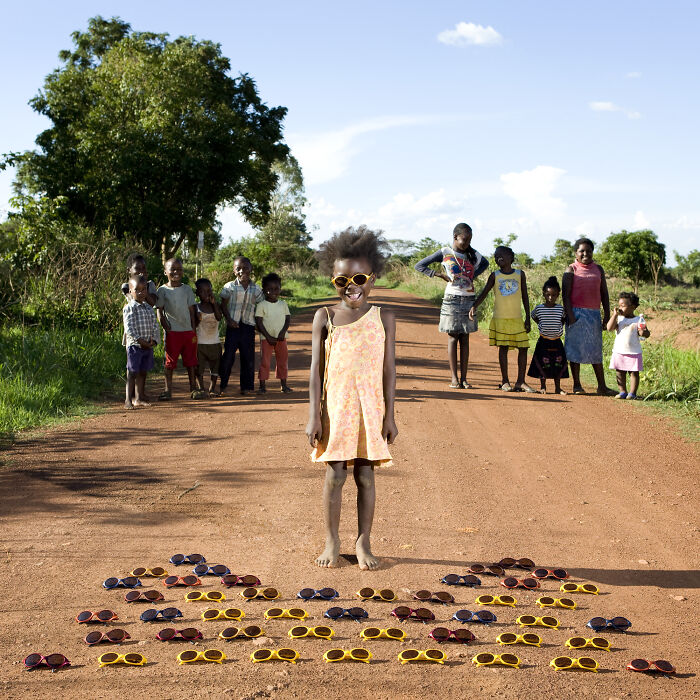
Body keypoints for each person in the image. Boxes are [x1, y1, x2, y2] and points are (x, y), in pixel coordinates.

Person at [306, 227, 397, 571]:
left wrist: (390, 416)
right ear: (333, 280)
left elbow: (389, 370)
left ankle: (363, 541)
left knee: (366, 476)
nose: (351, 286)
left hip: (370, 410)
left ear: (372, 278)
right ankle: (332, 540)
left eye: (359, 277)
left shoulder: (384, 318)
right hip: (336, 409)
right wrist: (314, 414)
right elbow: (316, 370)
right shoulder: (324, 317)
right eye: (341, 280)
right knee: (335, 475)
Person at [414, 223, 488, 388]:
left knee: (466, 338)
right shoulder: (445, 252)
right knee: (453, 337)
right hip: (451, 299)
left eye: (470, 240)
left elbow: (486, 264)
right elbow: (419, 265)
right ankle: (454, 378)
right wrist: (439, 274)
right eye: (464, 240)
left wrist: (471, 275)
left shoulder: (473, 254)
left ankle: (464, 379)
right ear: (455, 237)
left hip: (469, 299)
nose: (467, 243)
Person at [470, 246, 535, 392]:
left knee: (523, 348)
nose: (498, 257)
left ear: (511, 257)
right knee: (503, 348)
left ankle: (521, 381)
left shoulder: (520, 274)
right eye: (495, 255)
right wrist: (475, 305)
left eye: (502, 254)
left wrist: (528, 318)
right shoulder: (495, 275)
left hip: (517, 318)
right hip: (500, 319)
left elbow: (525, 296)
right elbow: (485, 292)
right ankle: (505, 381)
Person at [562, 238, 615, 395]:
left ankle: (602, 386)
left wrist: (606, 314)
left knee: (595, 351)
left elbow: (604, 293)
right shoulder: (571, 269)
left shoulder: (598, 269)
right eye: (582, 251)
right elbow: (565, 295)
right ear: (576, 253)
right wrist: (570, 315)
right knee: (575, 350)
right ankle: (577, 385)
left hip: (593, 314)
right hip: (576, 313)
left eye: (589, 251)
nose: (585, 254)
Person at [156, 258, 203, 400]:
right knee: (170, 363)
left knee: (191, 361)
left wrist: (193, 330)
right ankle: (167, 391)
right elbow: (159, 310)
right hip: (172, 333)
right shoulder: (162, 290)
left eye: (179, 269)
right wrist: (165, 327)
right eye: (172, 269)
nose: (176, 272)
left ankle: (193, 389)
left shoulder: (187, 289)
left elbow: (192, 310)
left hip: (188, 332)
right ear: (165, 272)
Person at [219, 256, 263, 396]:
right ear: (234, 270)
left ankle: (247, 387)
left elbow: (262, 306)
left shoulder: (256, 289)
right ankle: (223, 385)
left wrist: (258, 324)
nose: (242, 271)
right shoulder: (229, 287)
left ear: (251, 269)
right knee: (228, 357)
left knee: (248, 357)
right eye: (238, 268)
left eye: (245, 268)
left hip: (248, 327)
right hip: (233, 327)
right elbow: (223, 305)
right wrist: (228, 319)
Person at [527, 276, 569, 394]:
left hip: (556, 341)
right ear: (544, 294)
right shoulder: (539, 308)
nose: (551, 297)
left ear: (558, 295)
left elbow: (563, 320)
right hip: (543, 341)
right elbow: (534, 316)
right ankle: (543, 387)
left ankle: (557, 387)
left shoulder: (561, 309)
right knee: (542, 363)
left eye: (554, 295)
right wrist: (542, 324)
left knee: (558, 363)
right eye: (548, 295)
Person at [123, 274, 159, 409]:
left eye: (144, 289)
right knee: (132, 372)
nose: (141, 292)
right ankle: (128, 399)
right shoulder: (129, 308)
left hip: (147, 346)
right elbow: (129, 328)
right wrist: (140, 341)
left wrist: (154, 341)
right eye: (137, 290)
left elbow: (155, 325)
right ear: (130, 292)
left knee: (143, 372)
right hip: (135, 346)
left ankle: (139, 398)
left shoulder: (149, 308)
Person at [606, 291, 650, 399]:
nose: (620, 308)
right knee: (619, 372)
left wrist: (643, 332)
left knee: (633, 372)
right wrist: (614, 315)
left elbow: (645, 333)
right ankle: (622, 391)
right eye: (619, 305)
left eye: (623, 306)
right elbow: (609, 328)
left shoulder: (638, 319)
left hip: (633, 351)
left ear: (633, 307)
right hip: (619, 351)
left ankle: (632, 393)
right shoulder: (619, 319)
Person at [255, 272, 292, 394]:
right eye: (269, 289)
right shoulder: (261, 305)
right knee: (264, 362)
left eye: (276, 289)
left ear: (280, 289)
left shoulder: (283, 304)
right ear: (264, 290)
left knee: (282, 361)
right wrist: (268, 336)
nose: (273, 292)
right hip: (266, 339)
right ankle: (262, 386)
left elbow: (287, 319)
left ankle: (284, 385)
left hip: (281, 338)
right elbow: (259, 322)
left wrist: (282, 332)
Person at [194, 278, 223, 396]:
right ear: (197, 294)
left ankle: (212, 389)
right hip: (200, 343)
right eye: (203, 291)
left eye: (209, 291)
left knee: (215, 367)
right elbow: (194, 324)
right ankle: (201, 388)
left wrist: (214, 304)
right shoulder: (196, 307)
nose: (207, 294)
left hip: (215, 343)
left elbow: (219, 317)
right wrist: (197, 318)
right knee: (199, 368)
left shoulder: (215, 306)